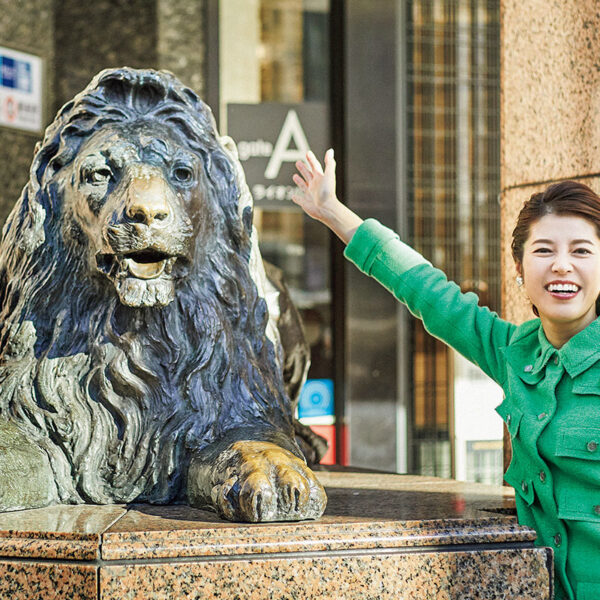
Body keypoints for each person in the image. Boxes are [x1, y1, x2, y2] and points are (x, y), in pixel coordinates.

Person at [292, 149, 600, 600]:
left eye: (581, 251)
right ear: (519, 269)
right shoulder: (516, 354)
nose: (561, 265)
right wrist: (334, 213)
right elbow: (430, 293)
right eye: (544, 250)